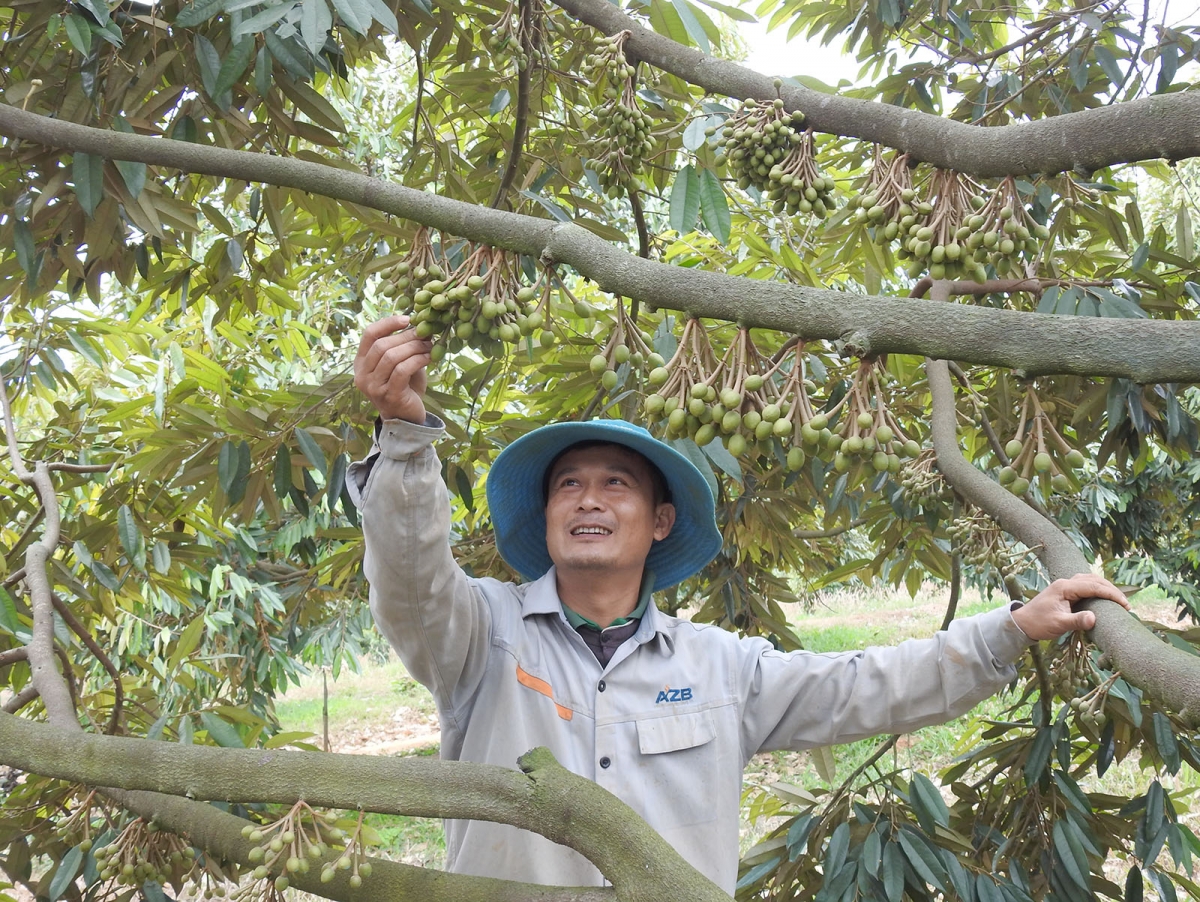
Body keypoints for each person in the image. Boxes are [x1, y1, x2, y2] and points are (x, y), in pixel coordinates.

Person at [349, 314, 1131, 895]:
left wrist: (1013, 630)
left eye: (615, 483)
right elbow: (410, 574)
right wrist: (406, 438)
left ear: (659, 523)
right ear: (547, 517)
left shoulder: (720, 667)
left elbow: (868, 684)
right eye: (568, 485)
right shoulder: (482, 637)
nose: (589, 499)